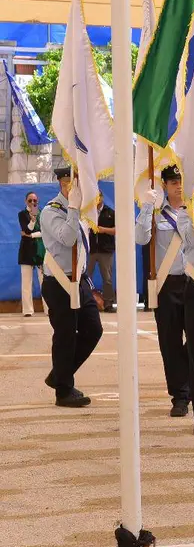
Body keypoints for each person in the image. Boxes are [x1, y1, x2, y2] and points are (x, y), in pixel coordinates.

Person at [136, 164, 194, 433]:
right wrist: (147, 206)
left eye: (180, 181)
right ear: (164, 186)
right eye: (172, 182)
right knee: (169, 341)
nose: (178, 186)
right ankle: (180, 395)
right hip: (167, 283)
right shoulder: (157, 213)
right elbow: (140, 238)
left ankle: (193, 385)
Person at [40, 167, 103, 407]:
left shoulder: (82, 210)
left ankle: (59, 374)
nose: (74, 187)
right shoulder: (51, 211)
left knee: (93, 329)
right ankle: (64, 391)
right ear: (62, 184)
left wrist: (81, 207)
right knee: (65, 335)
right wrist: (74, 209)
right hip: (59, 281)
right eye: (70, 183)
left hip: (80, 279)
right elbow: (67, 238)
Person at [17, 191, 44, 317]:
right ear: (25, 201)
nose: (33, 203)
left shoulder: (42, 213)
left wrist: (31, 235)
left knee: (44, 282)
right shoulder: (22, 214)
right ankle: (28, 310)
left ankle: (49, 309)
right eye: (30, 200)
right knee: (26, 283)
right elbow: (26, 229)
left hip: (40, 252)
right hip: (26, 252)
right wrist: (32, 222)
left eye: (35, 200)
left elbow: (44, 232)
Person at [88, 200, 117, 311]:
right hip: (91, 250)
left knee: (107, 278)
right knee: (86, 277)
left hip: (106, 250)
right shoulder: (88, 212)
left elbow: (117, 230)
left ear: (102, 198)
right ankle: (85, 301)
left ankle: (108, 303)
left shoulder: (110, 212)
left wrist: (103, 230)